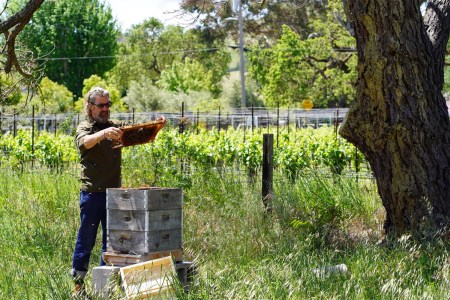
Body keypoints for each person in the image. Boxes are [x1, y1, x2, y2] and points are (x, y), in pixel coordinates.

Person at [71, 87, 123, 297]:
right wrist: (102, 134)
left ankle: (104, 287)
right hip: (92, 195)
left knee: (110, 244)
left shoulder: (114, 127)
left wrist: (156, 126)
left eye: (107, 105)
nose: (105, 109)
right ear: (90, 106)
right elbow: (83, 142)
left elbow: (136, 134)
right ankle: (78, 286)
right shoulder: (85, 127)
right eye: (100, 105)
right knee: (86, 240)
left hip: (114, 195)